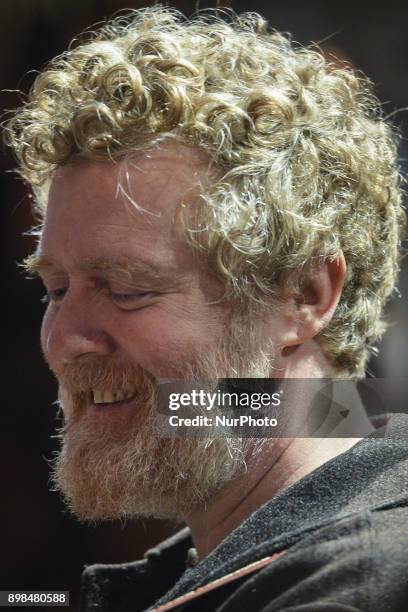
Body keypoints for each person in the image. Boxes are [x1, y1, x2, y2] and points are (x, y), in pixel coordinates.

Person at [5, 6, 408, 611]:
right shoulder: (268, 537)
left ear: (305, 297)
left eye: (127, 290)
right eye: (56, 289)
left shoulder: (358, 583)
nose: (65, 338)